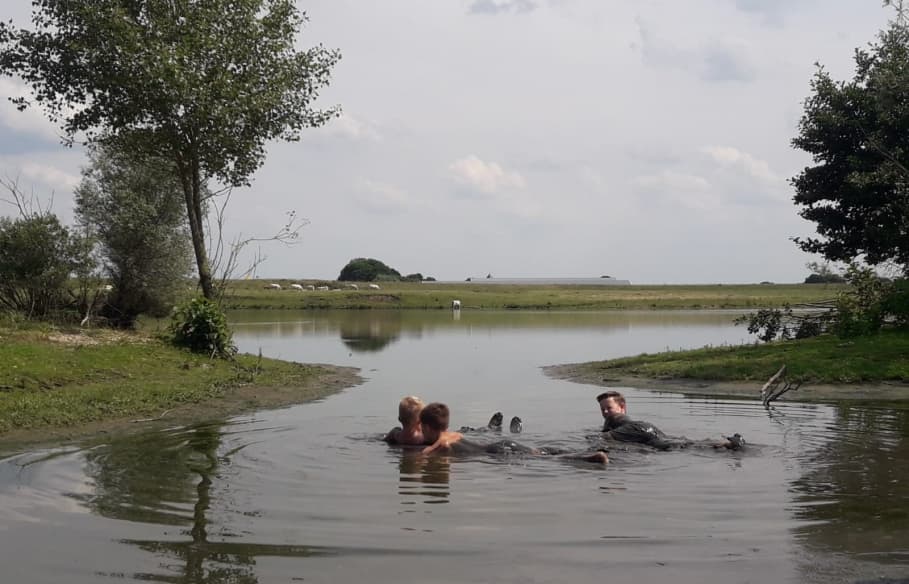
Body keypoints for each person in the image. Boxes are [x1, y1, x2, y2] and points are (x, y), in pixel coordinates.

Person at [421, 402, 608, 463]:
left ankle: (590, 458)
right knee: (542, 452)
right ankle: (586, 453)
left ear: (428, 427)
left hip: (500, 453)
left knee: (551, 459)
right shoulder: (454, 435)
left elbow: (426, 454)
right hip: (501, 446)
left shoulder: (443, 444)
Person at [596, 391, 745, 451]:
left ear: (622, 407)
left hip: (634, 428)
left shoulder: (612, 420)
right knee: (679, 442)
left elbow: (604, 437)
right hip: (646, 426)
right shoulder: (628, 421)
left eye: (609, 408)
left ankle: (728, 444)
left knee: (670, 446)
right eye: (603, 409)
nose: (606, 412)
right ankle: (725, 442)